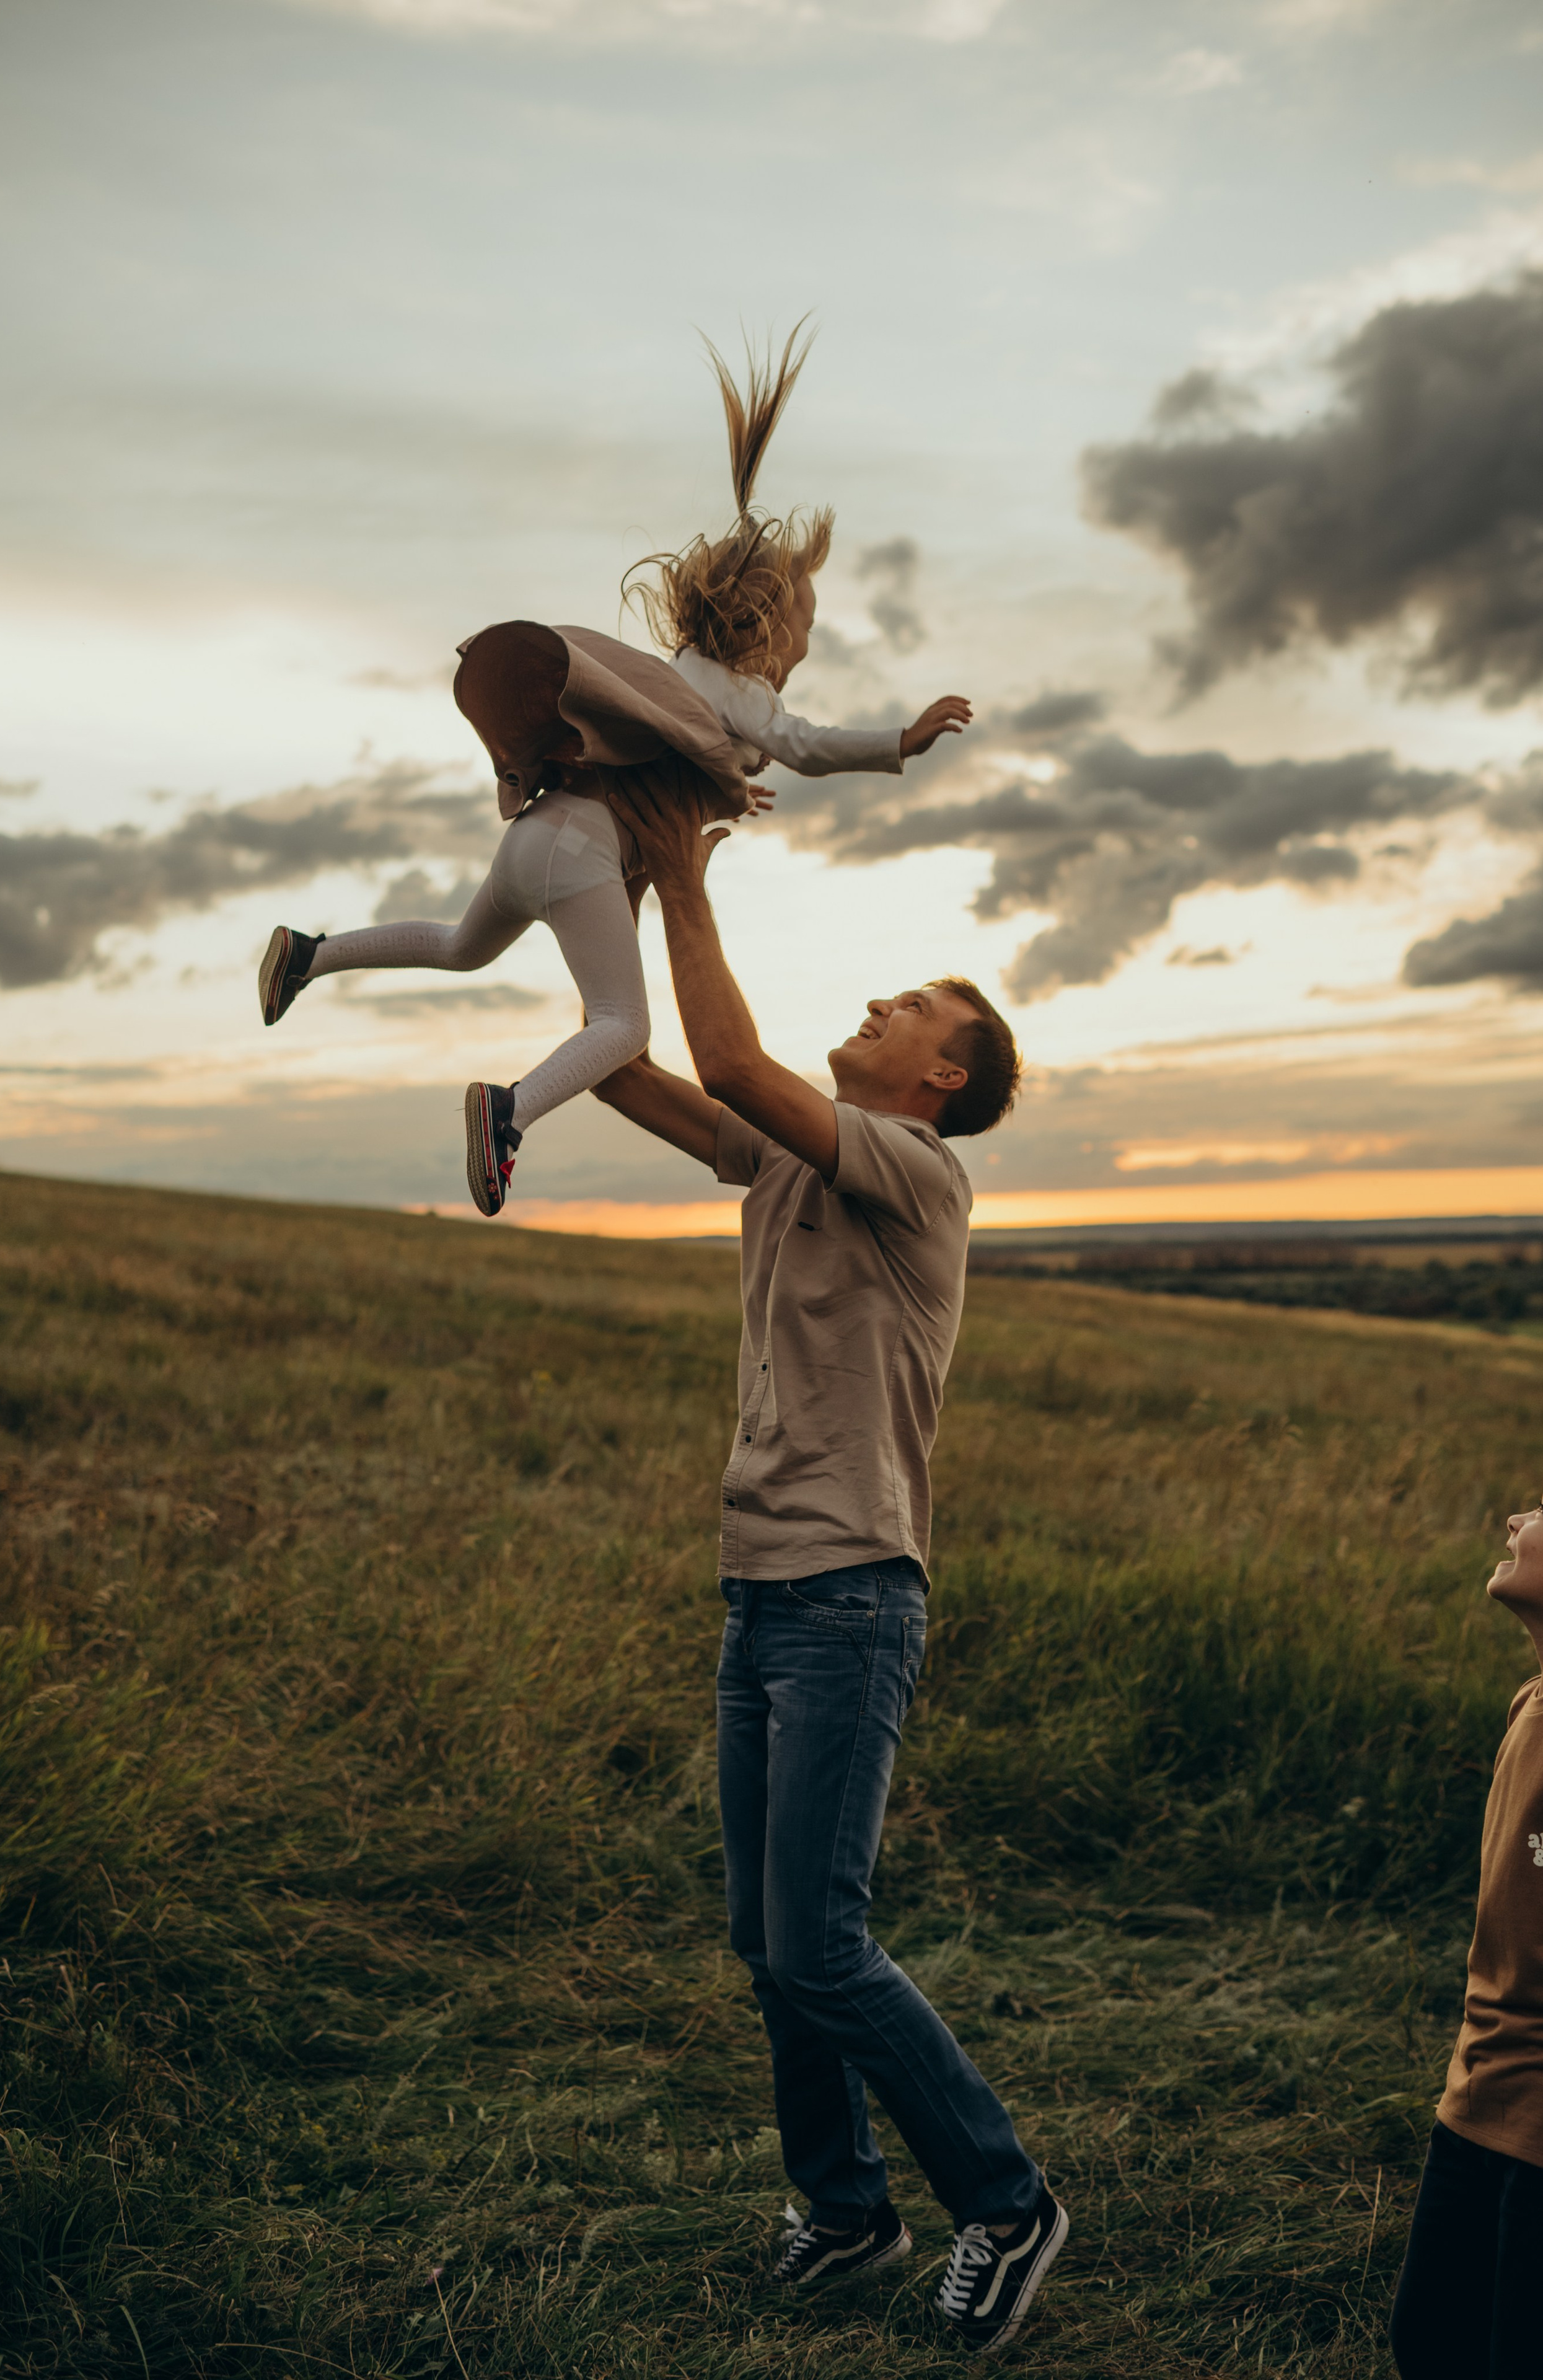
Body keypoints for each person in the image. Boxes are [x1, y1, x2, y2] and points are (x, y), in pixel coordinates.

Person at [589, 765, 1069, 2357]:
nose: (874, 1007)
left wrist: (687, 870)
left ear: (940, 1077)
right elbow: (640, 1074)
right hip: (761, 1586)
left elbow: (730, 1060)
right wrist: (601, 872)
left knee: (820, 1943)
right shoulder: (795, 1160)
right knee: (766, 1945)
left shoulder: (918, 1173)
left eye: (906, 1008)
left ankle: (1005, 2202)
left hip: (851, 1595)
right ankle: (846, 2206)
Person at [254, 326, 970, 1220]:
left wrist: (724, 786)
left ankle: (311, 955)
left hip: (538, 837)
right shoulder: (746, 693)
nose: (808, 644)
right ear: (764, 627)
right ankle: (508, 1114)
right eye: (806, 627)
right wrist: (900, 741)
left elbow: (681, 748)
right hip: (586, 854)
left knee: (459, 946)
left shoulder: (685, 674)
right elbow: (805, 743)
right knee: (622, 1026)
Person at [1389, 1499, 1543, 2380]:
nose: (1518, 1514)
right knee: (1429, 2343)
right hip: (1476, 2101)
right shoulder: (1531, 1703)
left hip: (1537, 2136)